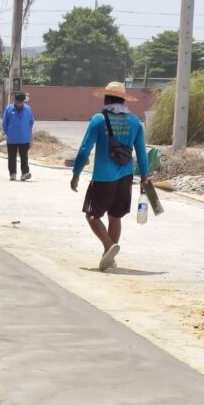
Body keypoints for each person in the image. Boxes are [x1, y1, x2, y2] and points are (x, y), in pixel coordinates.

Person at [70, 81, 150, 272]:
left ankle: (109, 245)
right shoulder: (135, 122)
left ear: (106, 99)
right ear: (123, 100)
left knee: (92, 215)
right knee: (115, 216)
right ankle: (109, 259)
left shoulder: (98, 120)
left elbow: (84, 150)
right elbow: (142, 152)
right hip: (126, 177)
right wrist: (144, 177)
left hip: (103, 178)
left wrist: (76, 173)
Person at [2, 91, 34, 181]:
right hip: (12, 138)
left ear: (23, 101)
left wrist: (27, 132)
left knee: (24, 157)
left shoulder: (28, 109)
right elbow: (4, 123)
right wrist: (8, 133)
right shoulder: (9, 109)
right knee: (12, 157)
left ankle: (25, 173)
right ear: (15, 101)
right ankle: (13, 174)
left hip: (24, 138)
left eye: (21, 102)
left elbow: (31, 121)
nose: (19, 104)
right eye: (18, 102)